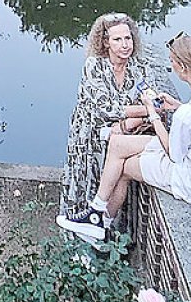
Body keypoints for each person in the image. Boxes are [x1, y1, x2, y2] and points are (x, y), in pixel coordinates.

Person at [59, 35, 191, 242]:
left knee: (124, 168)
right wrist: (177, 106)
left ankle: (101, 223)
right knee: (118, 145)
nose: (170, 65)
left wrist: (152, 112)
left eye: (172, 61)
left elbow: (174, 154)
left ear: (182, 68)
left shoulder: (188, 115)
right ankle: (96, 212)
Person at [58, 13, 170, 223]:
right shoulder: (94, 66)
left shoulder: (140, 68)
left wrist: (133, 120)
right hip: (90, 136)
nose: (124, 45)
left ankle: (106, 235)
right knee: (87, 182)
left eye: (128, 38)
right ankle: (76, 236)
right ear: (105, 42)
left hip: (122, 136)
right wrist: (143, 112)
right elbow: (105, 108)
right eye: (117, 39)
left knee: (118, 180)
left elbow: (157, 105)